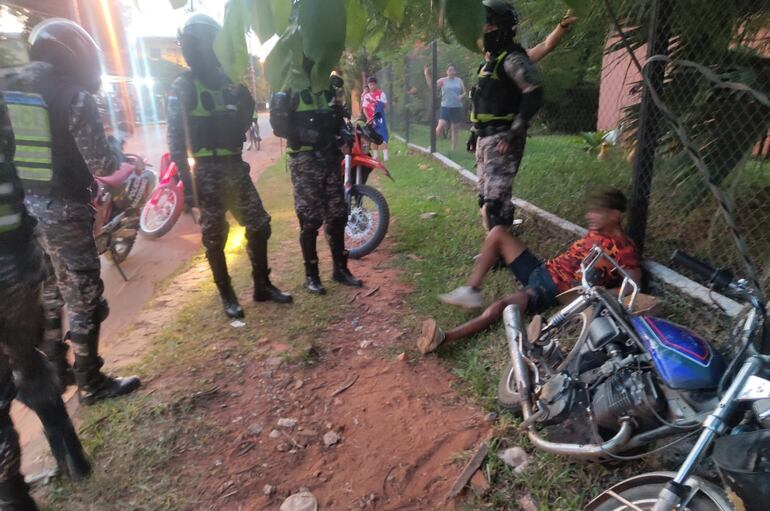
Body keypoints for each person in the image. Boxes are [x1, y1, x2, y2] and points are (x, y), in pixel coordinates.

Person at [1, 19, 141, 405]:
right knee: (84, 293)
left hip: (23, 213)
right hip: (63, 209)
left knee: (51, 288)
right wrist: (121, 158)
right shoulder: (74, 97)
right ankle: (91, 382)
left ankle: (58, 368)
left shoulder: (13, 88)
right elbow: (102, 164)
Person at [0, 91, 91, 510]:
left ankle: (14, 495)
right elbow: (32, 174)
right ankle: (71, 454)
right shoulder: (12, 102)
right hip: (17, 262)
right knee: (28, 363)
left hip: (16, 260)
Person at [168, 14, 292, 319]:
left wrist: (246, 105)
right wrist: (186, 181)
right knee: (214, 237)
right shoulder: (183, 85)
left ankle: (262, 286)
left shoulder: (228, 82)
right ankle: (227, 294)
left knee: (259, 224)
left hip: (235, 168)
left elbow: (240, 128)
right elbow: (175, 137)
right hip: (206, 172)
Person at [417, 190, 641, 354]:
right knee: (497, 233)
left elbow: (632, 290)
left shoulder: (625, 249)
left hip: (549, 289)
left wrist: (600, 292)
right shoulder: (596, 233)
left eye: (598, 212)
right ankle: (470, 290)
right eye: (591, 211)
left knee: (503, 307)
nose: (590, 216)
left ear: (615, 215)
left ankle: (445, 338)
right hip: (542, 270)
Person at [468, 1, 577, 232]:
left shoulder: (514, 60)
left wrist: (513, 131)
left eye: (487, 27)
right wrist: (473, 133)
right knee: (485, 201)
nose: (483, 32)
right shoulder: (488, 65)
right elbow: (481, 102)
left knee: (494, 204)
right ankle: (496, 247)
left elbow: (544, 54)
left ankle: (501, 250)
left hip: (502, 139)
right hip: (484, 139)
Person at [270, 67, 363, 295]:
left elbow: (340, 116)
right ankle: (312, 277)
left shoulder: (330, 86)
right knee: (310, 218)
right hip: (305, 160)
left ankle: (340, 270)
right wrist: (319, 137)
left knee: (338, 214)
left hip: (330, 158)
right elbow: (280, 127)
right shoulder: (288, 86)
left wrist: (345, 132)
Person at [423, 64, 467, 152]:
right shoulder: (443, 80)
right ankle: (431, 146)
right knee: (440, 126)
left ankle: (453, 149)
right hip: (445, 107)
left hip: (456, 107)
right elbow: (432, 86)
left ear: (455, 71)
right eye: (450, 70)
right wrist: (426, 75)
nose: (451, 72)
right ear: (446, 72)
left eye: (453, 70)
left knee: (454, 129)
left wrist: (461, 96)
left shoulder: (459, 80)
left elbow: (465, 92)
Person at [361, 77, 389, 161]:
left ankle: (385, 156)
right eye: (370, 84)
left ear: (376, 84)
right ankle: (375, 156)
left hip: (380, 120)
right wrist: (368, 118)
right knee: (373, 137)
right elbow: (364, 108)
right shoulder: (366, 96)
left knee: (383, 136)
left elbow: (385, 105)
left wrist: (377, 103)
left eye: (373, 84)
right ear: (368, 85)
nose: (372, 86)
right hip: (371, 120)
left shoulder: (381, 94)